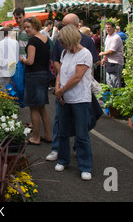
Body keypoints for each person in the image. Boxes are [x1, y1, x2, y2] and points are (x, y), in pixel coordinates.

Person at [46, 13, 100, 162]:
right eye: (63, 25)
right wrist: (59, 86)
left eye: (67, 25)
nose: (64, 28)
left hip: (78, 93)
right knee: (60, 124)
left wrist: (66, 86)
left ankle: (79, 152)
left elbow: (84, 71)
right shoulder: (63, 45)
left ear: (77, 26)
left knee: (81, 128)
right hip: (63, 91)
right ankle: (58, 151)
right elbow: (57, 62)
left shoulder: (87, 42)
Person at [53, 24, 93, 181]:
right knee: (62, 131)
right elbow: (61, 72)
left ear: (70, 40)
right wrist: (58, 88)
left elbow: (77, 77)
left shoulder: (85, 54)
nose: (61, 45)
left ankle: (85, 166)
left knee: (81, 134)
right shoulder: (65, 52)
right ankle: (63, 160)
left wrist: (61, 91)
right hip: (64, 98)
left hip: (79, 99)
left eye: (63, 42)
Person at [19, 17, 52, 145]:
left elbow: (30, 61)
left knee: (33, 108)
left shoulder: (32, 41)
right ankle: (48, 135)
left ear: (35, 26)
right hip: (44, 74)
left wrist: (23, 60)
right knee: (42, 107)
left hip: (33, 75)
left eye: (28, 27)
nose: (26, 30)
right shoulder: (45, 39)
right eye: (25, 27)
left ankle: (36, 137)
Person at [99, 22, 124, 88]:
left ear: (113, 28)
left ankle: (117, 96)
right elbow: (107, 48)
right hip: (109, 62)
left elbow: (112, 51)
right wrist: (104, 58)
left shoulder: (116, 37)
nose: (107, 29)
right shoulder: (108, 36)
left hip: (116, 62)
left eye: (109, 27)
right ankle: (111, 96)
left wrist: (102, 53)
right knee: (109, 81)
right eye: (106, 28)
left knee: (115, 81)